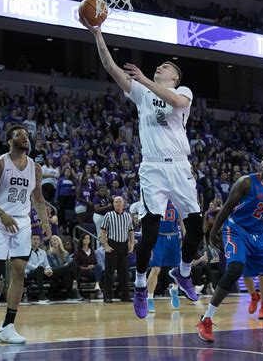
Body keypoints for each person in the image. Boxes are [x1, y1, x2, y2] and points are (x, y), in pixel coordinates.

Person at [80, 19, 203, 318]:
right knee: (148, 235)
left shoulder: (182, 90)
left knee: (197, 227)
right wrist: (98, 33)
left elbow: (173, 100)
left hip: (180, 167)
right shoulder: (141, 93)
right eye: (158, 67)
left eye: (165, 67)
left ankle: (183, 273)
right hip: (153, 169)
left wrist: (147, 79)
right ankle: (138, 285)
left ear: (174, 76)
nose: (160, 69)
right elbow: (111, 67)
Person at [196, 152, 263, 343]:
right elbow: (227, 206)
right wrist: (213, 232)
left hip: (260, 237)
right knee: (235, 269)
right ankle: (206, 319)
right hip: (237, 230)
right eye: (262, 159)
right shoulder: (246, 182)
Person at [0, 125, 51, 344]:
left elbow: (37, 196)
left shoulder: (35, 167)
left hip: (23, 223)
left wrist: (44, 221)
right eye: (19, 135)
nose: (24, 137)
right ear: (10, 141)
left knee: (19, 271)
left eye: (26, 135)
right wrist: (3, 215)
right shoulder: (0, 164)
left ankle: (7, 326)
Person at [147, 200, 184, 313]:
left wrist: (185, 237)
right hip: (159, 237)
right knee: (156, 269)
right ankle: (150, 298)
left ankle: (174, 290)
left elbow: (182, 221)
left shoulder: (177, 201)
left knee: (177, 269)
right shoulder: (155, 200)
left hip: (173, 237)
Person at [100, 196, 134, 303]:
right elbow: (103, 231)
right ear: (113, 204)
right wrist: (105, 245)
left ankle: (124, 295)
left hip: (123, 246)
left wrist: (131, 243)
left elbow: (131, 230)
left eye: (120, 202)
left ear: (123, 204)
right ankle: (107, 296)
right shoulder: (108, 215)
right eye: (116, 202)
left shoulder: (128, 216)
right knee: (109, 272)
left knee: (124, 272)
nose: (118, 203)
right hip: (112, 245)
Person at [24, 234, 53, 303]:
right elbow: (28, 265)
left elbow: (47, 264)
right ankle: (41, 294)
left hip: (42, 272)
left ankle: (58, 293)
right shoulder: (26, 252)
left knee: (57, 271)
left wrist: (49, 269)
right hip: (30, 273)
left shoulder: (43, 252)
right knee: (40, 269)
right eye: (34, 239)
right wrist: (42, 270)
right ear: (30, 240)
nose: (36, 241)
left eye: (37, 239)